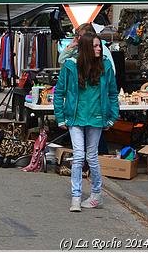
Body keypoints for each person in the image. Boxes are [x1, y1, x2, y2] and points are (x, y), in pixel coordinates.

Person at [54, 34, 119, 212]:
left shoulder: (105, 65)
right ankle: (76, 196)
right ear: (86, 49)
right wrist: (60, 117)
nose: (100, 49)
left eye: (100, 46)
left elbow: (113, 93)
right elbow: (59, 92)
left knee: (91, 157)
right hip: (75, 117)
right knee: (79, 156)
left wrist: (112, 117)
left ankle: (96, 195)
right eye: (96, 46)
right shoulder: (70, 66)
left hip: (97, 117)